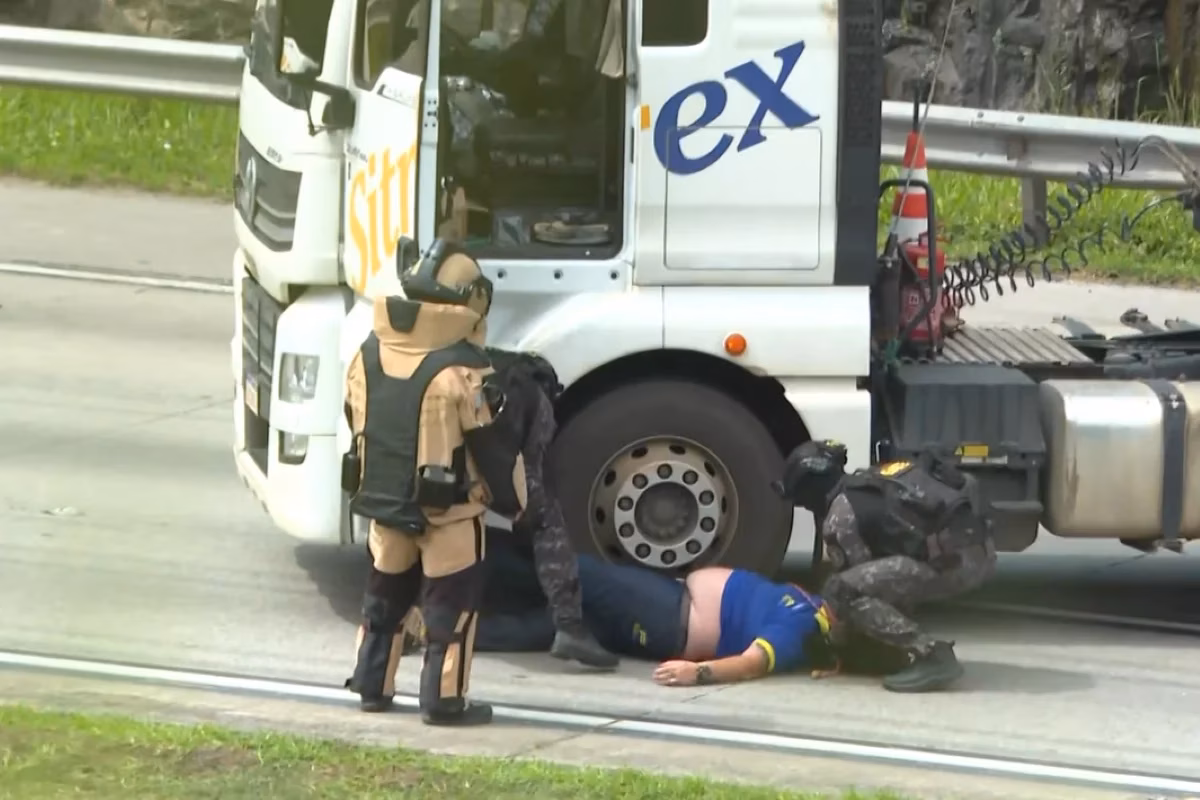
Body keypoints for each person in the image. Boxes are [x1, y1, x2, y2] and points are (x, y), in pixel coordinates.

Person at [342, 238, 528, 726]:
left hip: (384, 506)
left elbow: (354, 421)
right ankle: (443, 700)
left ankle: (370, 685)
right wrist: (519, 504)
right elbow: (493, 447)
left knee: (383, 602)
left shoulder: (368, 353)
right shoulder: (464, 370)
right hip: (451, 515)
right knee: (451, 614)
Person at [472, 528, 840, 685]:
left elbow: (751, 664)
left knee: (569, 570)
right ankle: (450, 627)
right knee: (561, 624)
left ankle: (470, 551)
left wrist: (695, 674)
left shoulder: (800, 627)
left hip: (667, 617)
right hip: (667, 608)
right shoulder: (813, 607)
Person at [776, 440, 998, 693]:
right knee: (876, 578)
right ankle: (898, 650)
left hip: (957, 565)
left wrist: (834, 642)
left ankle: (930, 654)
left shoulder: (840, 517)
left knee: (840, 590)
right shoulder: (869, 480)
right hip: (978, 550)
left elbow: (856, 588)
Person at [482, 347, 620, 669]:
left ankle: (399, 624)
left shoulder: (461, 370)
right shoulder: (532, 392)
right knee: (547, 521)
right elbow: (533, 465)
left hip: (439, 470)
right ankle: (570, 627)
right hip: (492, 466)